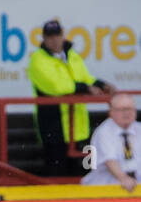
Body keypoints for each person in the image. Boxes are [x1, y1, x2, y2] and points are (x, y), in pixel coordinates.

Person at [27, 19, 114, 175]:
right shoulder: (37, 59)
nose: (54, 40)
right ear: (44, 39)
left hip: (78, 127)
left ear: (63, 35)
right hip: (54, 127)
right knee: (58, 176)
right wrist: (86, 88)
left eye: (57, 35)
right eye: (50, 36)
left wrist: (101, 85)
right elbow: (56, 86)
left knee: (82, 175)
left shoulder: (71, 54)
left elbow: (85, 77)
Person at [81, 93, 141, 190]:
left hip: (136, 189)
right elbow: (110, 161)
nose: (126, 113)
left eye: (130, 109)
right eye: (121, 109)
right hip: (105, 190)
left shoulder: (139, 129)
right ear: (111, 112)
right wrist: (124, 179)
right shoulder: (104, 131)